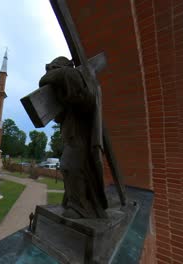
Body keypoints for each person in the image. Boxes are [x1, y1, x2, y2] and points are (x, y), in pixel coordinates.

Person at [38, 57, 108, 219]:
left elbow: (86, 101)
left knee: (70, 166)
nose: (50, 72)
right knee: (70, 168)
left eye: (53, 68)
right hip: (71, 134)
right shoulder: (68, 82)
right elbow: (59, 117)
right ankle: (77, 203)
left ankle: (81, 208)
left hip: (82, 134)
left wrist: (56, 74)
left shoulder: (76, 77)